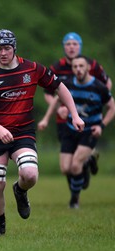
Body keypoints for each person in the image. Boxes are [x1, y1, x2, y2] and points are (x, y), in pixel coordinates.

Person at [0, 29, 84, 236]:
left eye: (7, 48)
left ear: (14, 48)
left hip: (23, 132)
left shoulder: (32, 68)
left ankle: (20, 190)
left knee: (30, 175)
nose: (3, 53)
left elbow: (60, 88)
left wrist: (75, 115)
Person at [38, 32, 112, 187]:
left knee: (75, 163)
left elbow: (107, 84)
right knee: (67, 163)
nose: (71, 47)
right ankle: (84, 165)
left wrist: (97, 106)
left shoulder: (92, 64)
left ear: (80, 46)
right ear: (64, 47)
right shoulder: (56, 67)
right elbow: (48, 94)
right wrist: (59, 109)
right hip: (64, 120)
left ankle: (75, 196)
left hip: (87, 118)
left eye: (75, 44)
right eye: (68, 44)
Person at [57, 55, 115, 208]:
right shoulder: (68, 84)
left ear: (88, 68)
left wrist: (101, 126)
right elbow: (59, 101)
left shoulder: (99, 87)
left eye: (81, 66)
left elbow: (112, 108)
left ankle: (74, 200)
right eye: (75, 67)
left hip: (90, 130)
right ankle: (88, 161)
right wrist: (61, 109)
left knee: (76, 166)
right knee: (65, 168)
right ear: (72, 69)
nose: (78, 69)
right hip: (70, 129)